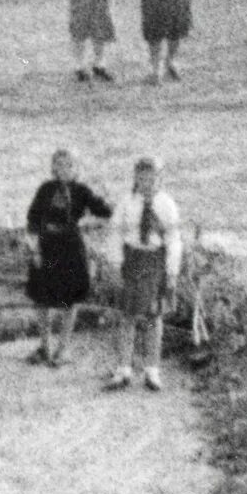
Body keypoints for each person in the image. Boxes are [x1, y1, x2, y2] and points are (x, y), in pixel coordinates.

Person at [22, 149, 107, 368]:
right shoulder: (45, 189)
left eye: (69, 165)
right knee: (41, 296)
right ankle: (44, 346)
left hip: (71, 248)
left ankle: (63, 348)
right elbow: (32, 218)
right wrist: (33, 248)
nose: (63, 169)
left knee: (71, 298)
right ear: (53, 167)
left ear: (76, 168)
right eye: (58, 164)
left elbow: (106, 212)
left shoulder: (82, 191)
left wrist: (91, 222)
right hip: (47, 246)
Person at [107, 157, 180, 394]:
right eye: (141, 179)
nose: (146, 184)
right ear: (135, 178)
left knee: (153, 317)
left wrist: (171, 272)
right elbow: (116, 234)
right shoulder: (127, 203)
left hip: (155, 262)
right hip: (132, 260)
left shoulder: (166, 204)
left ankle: (152, 369)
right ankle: (123, 368)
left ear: (160, 179)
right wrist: (116, 264)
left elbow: (173, 241)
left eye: (152, 179)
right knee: (126, 316)